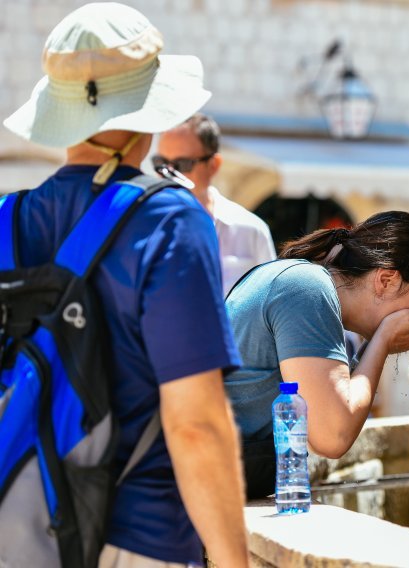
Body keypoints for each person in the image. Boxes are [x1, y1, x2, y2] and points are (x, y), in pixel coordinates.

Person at [2, 3, 248, 567]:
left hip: (20, 531)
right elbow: (195, 423)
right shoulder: (170, 220)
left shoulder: (5, 222)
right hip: (138, 539)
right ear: (148, 107)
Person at [224, 211, 409, 499]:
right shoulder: (306, 288)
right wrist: (383, 340)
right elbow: (333, 436)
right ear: (386, 280)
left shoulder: (302, 281)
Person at [155, 114, 277, 295]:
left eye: (183, 164)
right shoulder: (144, 227)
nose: (169, 174)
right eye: (161, 164)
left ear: (213, 165)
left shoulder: (252, 230)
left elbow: (270, 305)